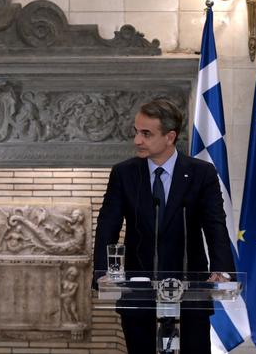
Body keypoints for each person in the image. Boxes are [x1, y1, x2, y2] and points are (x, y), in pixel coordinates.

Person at [93, 99, 235, 354]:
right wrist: (103, 272)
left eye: (146, 134)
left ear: (170, 137)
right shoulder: (123, 173)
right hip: (139, 292)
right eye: (136, 132)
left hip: (190, 290)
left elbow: (215, 225)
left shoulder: (202, 173)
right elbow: (108, 224)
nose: (137, 140)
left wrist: (221, 269)